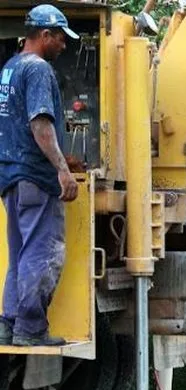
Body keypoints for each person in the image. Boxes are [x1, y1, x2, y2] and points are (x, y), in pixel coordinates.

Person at [0, 4, 79, 346]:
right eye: (60, 38)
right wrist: (63, 170)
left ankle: (8, 322)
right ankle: (31, 329)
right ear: (45, 35)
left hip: (11, 177)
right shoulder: (38, 70)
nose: (63, 45)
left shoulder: (10, 67)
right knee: (43, 251)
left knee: (20, 251)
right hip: (36, 177)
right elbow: (39, 122)